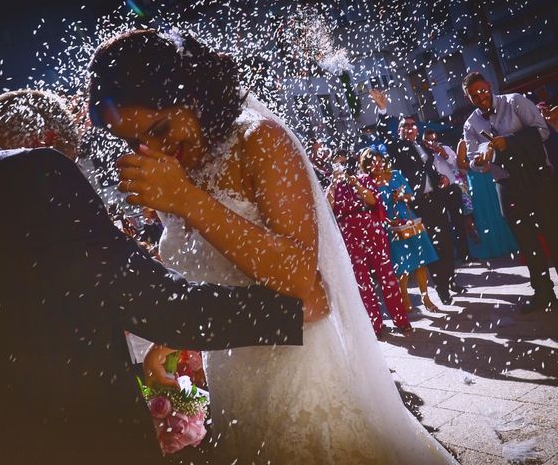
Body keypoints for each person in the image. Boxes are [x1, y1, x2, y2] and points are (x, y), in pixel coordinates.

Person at [88, 29, 456, 464]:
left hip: (301, 383)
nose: (155, 149)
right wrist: (179, 338)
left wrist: (188, 200)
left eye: (161, 127)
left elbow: (307, 288)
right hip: (235, 383)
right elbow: (216, 279)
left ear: (190, 93)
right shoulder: (177, 168)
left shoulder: (258, 141)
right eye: (135, 142)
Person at [0, 90, 307, 464]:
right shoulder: (34, 170)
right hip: (60, 441)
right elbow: (153, 301)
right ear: (50, 143)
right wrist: (294, 307)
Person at [462, 71, 558, 312]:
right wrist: (481, 160)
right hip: (507, 185)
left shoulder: (515, 101)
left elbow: (543, 131)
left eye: (483, 91)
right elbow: (473, 162)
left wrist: (509, 141)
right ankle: (543, 293)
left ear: (490, 86)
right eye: (474, 95)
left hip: (537, 177)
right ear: (468, 98)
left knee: (554, 231)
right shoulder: (470, 124)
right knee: (526, 240)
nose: (480, 97)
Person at [370, 89, 462, 305]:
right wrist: (383, 109)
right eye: (405, 126)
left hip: (437, 198)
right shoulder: (397, 147)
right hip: (418, 203)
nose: (410, 128)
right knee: (434, 246)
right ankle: (442, 288)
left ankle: (450, 280)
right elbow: (383, 134)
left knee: (448, 241)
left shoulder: (423, 146)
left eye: (412, 125)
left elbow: (429, 170)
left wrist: (442, 178)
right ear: (400, 131)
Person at [327, 149, 412, 337]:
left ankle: (401, 319)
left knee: (387, 276)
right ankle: (376, 324)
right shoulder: (332, 186)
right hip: (350, 234)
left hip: (371, 230)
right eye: (337, 164)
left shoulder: (363, 179)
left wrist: (355, 182)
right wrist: (333, 183)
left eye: (343, 163)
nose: (341, 167)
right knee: (363, 282)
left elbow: (372, 200)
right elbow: (328, 208)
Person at [366, 147, 441, 313]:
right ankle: (405, 297)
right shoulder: (368, 183)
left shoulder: (396, 174)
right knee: (402, 265)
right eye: (373, 162)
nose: (378, 164)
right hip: (389, 225)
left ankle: (425, 296)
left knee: (421, 261)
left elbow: (410, 196)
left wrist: (401, 196)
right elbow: (370, 207)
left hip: (407, 220)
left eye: (380, 160)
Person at [456, 138, 518, 259]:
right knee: (484, 211)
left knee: (498, 207)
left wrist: (490, 165)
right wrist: (476, 166)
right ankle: (491, 244)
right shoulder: (463, 143)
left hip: (491, 177)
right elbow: (460, 163)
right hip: (477, 180)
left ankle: (505, 241)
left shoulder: (488, 140)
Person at [422, 129, 471, 263]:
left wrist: (443, 154)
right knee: (443, 225)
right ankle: (450, 257)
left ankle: (465, 255)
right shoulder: (422, 153)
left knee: (459, 222)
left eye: (433, 140)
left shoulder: (446, 149)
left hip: (451, 188)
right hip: (435, 192)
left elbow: (457, 165)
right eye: (428, 140)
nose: (431, 143)